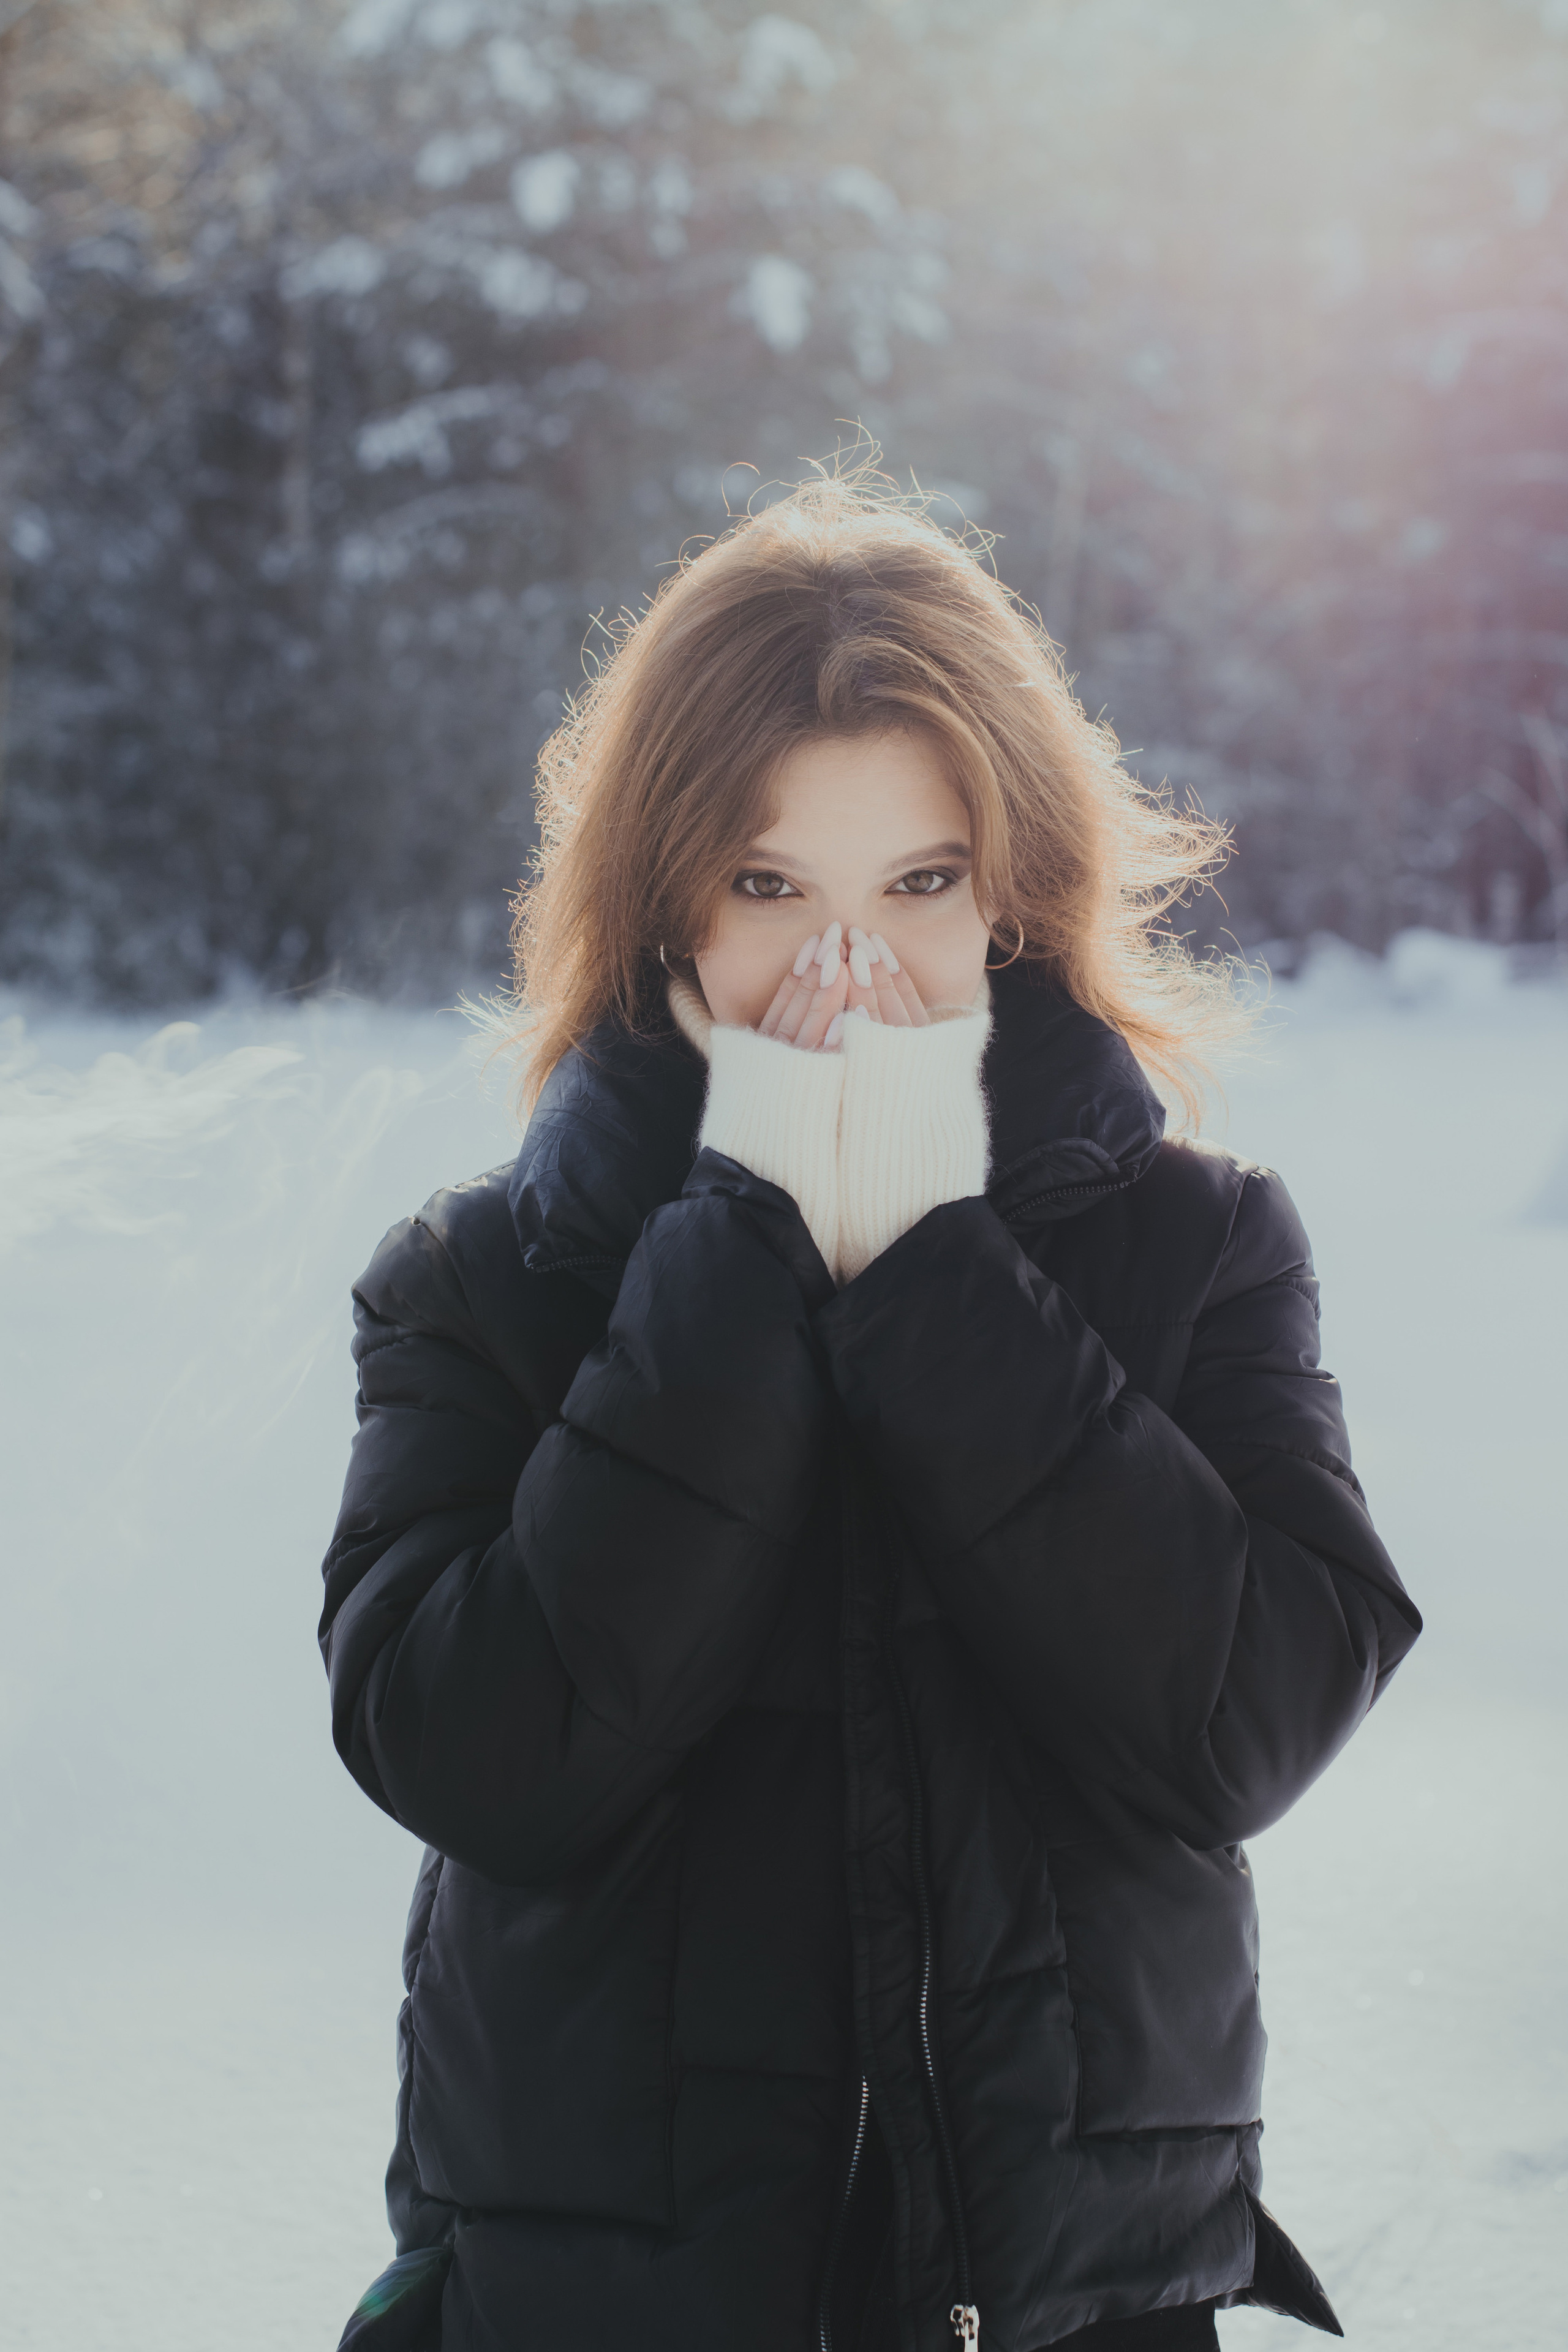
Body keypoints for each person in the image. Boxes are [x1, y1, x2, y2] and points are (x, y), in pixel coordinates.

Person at [320, 470, 1420, 2352]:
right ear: (662, 908)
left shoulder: (1203, 1249)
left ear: (1013, 895)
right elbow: (480, 1753)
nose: (850, 971)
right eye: (770, 888)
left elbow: (1246, 1724)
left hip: (1067, 2301)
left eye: (918, 885)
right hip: (606, 2297)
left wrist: (934, 1270)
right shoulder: (480, 1282)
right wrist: (736, 1253)